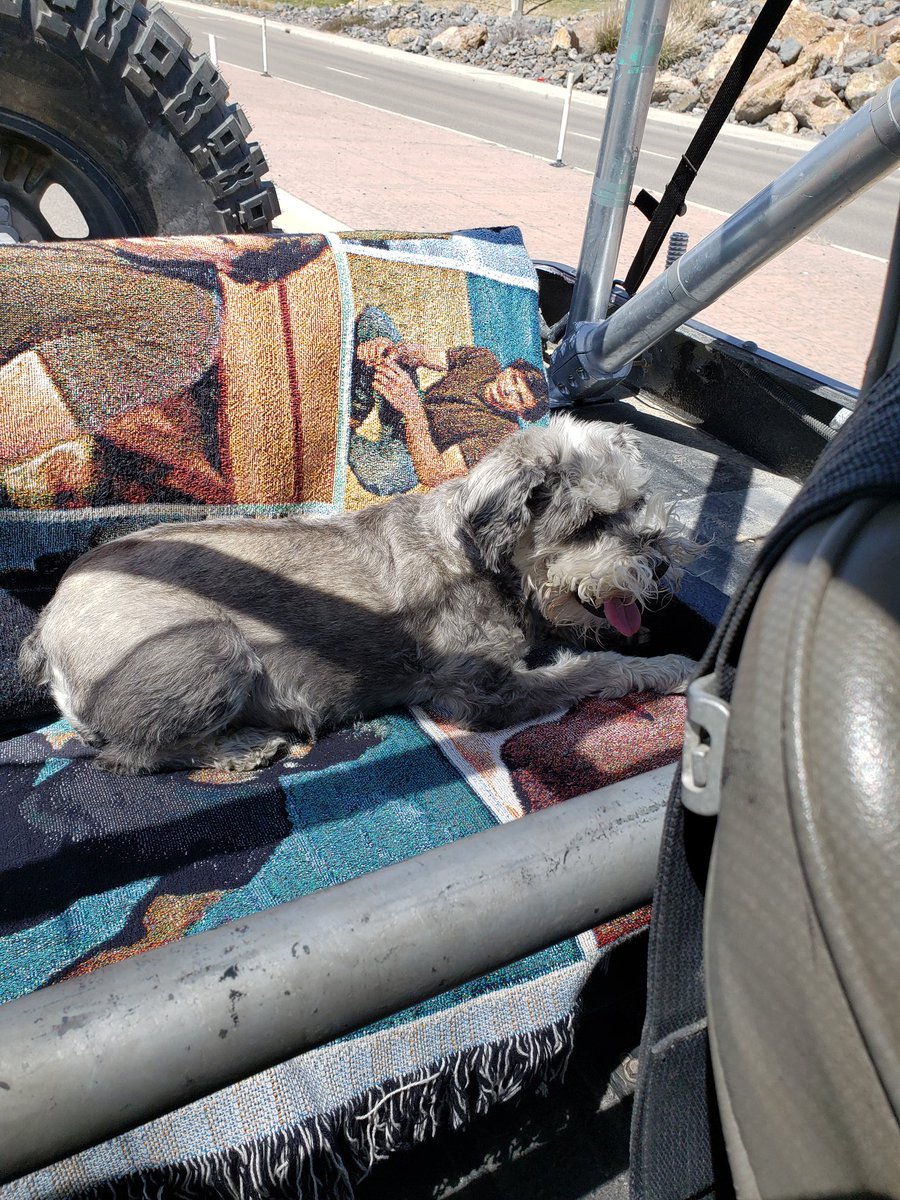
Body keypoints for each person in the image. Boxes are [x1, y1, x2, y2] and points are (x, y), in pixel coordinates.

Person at [349, 306, 548, 495]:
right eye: (513, 379)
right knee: (374, 320)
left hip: (415, 450)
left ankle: (341, 433)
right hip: (407, 403)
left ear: (521, 413)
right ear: (508, 369)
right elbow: (423, 355)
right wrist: (392, 351)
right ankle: (356, 408)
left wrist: (412, 410)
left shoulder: (500, 437)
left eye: (519, 397)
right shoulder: (483, 360)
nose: (508, 390)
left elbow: (433, 474)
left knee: (382, 475)